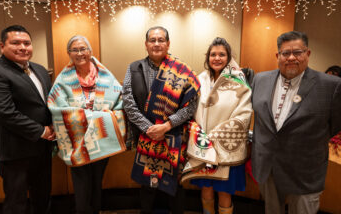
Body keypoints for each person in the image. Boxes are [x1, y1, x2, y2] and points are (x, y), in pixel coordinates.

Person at [251, 31, 341, 214]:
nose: (291, 57)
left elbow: (335, 125)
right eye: (285, 53)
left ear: (308, 54)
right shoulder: (260, 80)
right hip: (268, 167)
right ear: (278, 56)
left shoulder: (331, 86)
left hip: (305, 171)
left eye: (297, 52)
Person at [122, 26, 200, 213]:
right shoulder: (134, 68)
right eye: (152, 40)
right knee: (147, 185)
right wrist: (149, 129)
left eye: (161, 40)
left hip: (172, 135)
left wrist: (166, 126)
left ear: (168, 43)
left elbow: (191, 105)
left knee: (174, 184)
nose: (157, 44)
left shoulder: (181, 70)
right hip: (146, 135)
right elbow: (128, 101)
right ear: (146, 44)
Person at [47, 35, 127, 214]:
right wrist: (88, 117)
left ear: (90, 52)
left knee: (97, 180)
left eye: (83, 49)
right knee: (81, 183)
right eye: (74, 50)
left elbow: (120, 101)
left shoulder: (105, 76)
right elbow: (55, 105)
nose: (79, 53)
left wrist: (96, 117)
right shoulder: (62, 79)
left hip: (101, 137)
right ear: (69, 53)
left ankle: (96, 210)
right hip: (76, 140)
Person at [0, 25, 55, 214]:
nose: (23, 47)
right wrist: (41, 131)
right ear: (2, 46)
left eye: (27, 43)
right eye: (15, 43)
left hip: (42, 150)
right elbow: (6, 113)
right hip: (16, 153)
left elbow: (48, 104)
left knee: (42, 198)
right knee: (17, 204)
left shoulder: (39, 69)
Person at [181, 37, 252, 214]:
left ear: (229, 57)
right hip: (203, 146)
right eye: (213, 54)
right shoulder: (200, 79)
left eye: (222, 54)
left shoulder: (239, 81)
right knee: (206, 188)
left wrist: (217, 135)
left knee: (224, 191)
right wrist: (199, 134)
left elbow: (244, 114)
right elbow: (191, 108)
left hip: (226, 148)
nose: (217, 58)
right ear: (208, 57)